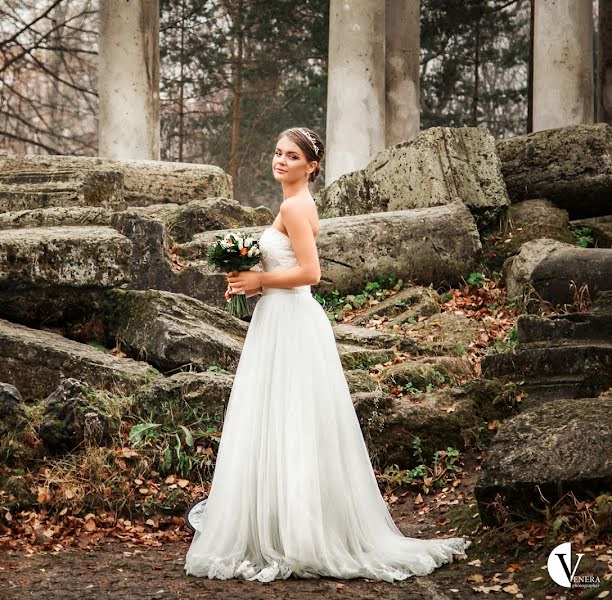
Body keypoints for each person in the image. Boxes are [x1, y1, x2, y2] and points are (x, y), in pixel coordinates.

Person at [182, 127, 471, 583]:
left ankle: (297, 534)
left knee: (290, 420)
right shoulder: (293, 204)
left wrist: (258, 281)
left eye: (292, 156)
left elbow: (310, 273)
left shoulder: (296, 206)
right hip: (281, 319)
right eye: (277, 152)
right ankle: (283, 522)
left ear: (311, 166)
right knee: (282, 420)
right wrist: (248, 275)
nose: (281, 160)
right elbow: (290, 265)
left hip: (291, 320)